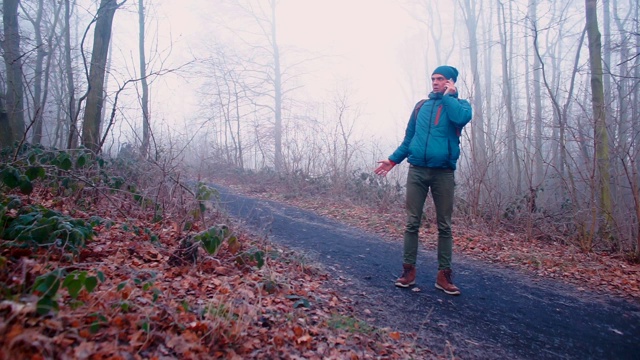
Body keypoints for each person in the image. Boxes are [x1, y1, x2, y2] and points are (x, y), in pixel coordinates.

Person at [374, 65, 472, 295]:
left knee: (445, 225)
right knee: (412, 222)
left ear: (450, 82)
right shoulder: (421, 107)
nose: (435, 82)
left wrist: (451, 96)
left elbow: (460, 118)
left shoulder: (460, 106)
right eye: (433, 79)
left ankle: (444, 276)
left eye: (441, 79)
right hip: (417, 170)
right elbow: (409, 139)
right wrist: (393, 160)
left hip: (443, 173)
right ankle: (408, 273)